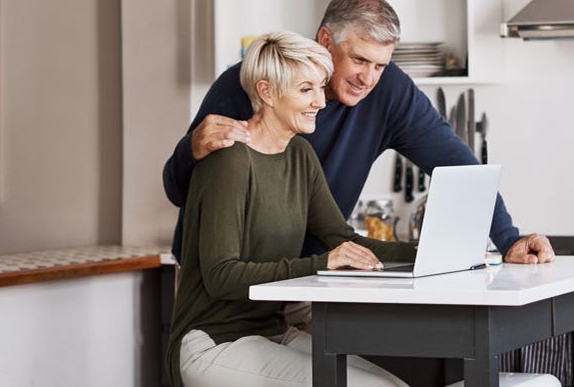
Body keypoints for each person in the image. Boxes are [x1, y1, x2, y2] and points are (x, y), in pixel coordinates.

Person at [162, 0, 554, 268]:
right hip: (226, 283)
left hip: (311, 273)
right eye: (359, 59)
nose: (368, 78)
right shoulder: (251, 84)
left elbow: (461, 168)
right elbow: (178, 190)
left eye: (380, 65)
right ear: (326, 41)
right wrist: (191, 149)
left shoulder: (391, 92)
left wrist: (508, 240)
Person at [166, 31, 416, 387]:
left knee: (394, 384)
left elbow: (341, 239)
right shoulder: (230, 159)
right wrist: (322, 262)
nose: (321, 102)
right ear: (266, 92)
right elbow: (222, 276)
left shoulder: (300, 154)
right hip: (214, 342)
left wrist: (427, 254)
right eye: (305, 90)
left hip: (269, 331)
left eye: (320, 87)